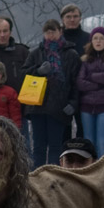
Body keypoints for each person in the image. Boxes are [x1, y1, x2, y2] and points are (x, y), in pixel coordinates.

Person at [21, 19, 81, 167]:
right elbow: (23, 74)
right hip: (37, 106)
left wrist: (73, 103)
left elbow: (77, 82)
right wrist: (38, 71)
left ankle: (53, 177)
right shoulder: (36, 53)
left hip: (59, 107)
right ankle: (37, 178)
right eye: (47, 32)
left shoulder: (71, 54)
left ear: (60, 32)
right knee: (39, 146)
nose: (50, 35)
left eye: (53, 31)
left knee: (56, 146)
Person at [77, 27, 104, 156]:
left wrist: (91, 77)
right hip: (87, 105)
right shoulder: (86, 59)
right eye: (95, 38)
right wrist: (99, 85)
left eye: (101, 38)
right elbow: (80, 82)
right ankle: (90, 171)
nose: (98, 41)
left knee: (103, 142)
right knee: (89, 142)